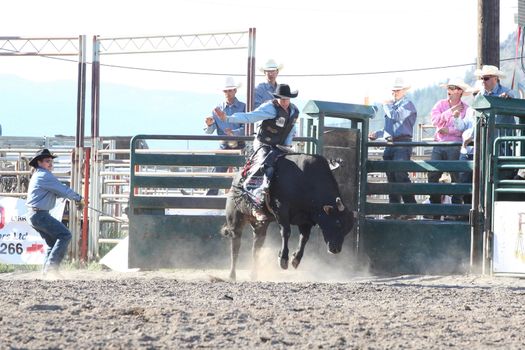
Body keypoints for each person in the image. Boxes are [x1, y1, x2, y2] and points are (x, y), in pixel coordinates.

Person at [215, 83, 299, 221]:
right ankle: (255, 204)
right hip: (263, 143)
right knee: (263, 165)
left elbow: (291, 128)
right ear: (277, 98)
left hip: (281, 145)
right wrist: (228, 118)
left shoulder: (294, 111)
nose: (284, 102)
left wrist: (288, 146)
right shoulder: (270, 108)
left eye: (286, 99)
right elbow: (250, 117)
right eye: (282, 99)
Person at [26, 148, 84, 277]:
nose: (50, 163)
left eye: (51, 161)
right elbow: (62, 189)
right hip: (40, 214)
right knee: (65, 235)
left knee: (52, 243)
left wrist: (71, 197)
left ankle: (46, 273)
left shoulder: (39, 175)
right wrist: (79, 198)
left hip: (35, 215)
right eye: (47, 161)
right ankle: (51, 269)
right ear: (39, 162)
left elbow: (55, 192)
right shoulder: (45, 175)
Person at [368, 77, 418, 220]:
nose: (394, 92)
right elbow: (389, 128)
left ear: (404, 91)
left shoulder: (408, 105)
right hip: (391, 144)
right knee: (392, 177)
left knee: (400, 175)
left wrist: (385, 105)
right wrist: (377, 134)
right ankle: (396, 210)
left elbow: (395, 117)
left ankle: (410, 209)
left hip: (402, 143)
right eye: (394, 90)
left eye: (397, 90)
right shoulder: (395, 106)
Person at [428, 78, 472, 212]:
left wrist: (449, 130)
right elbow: (435, 121)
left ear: (460, 91)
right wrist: (450, 111)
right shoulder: (440, 104)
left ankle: (456, 209)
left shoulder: (467, 109)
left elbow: (464, 128)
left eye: (452, 88)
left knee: (456, 177)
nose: (449, 91)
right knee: (432, 175)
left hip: (455, 145)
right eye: (449, 88)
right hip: (440, 144)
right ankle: (435, 207)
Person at [204, 76, 246, 195]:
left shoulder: (244, 107)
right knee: (217, 172)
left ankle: (243, 196)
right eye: (225, 91)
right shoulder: (216, 110)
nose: (228, 93)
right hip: (225, 145)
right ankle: (210, 198)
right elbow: (210, 130)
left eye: (230, 90)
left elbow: (247, 127)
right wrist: (209, 125)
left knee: (245, 172)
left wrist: (235, 133)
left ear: (235, 91)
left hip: (240, 144)